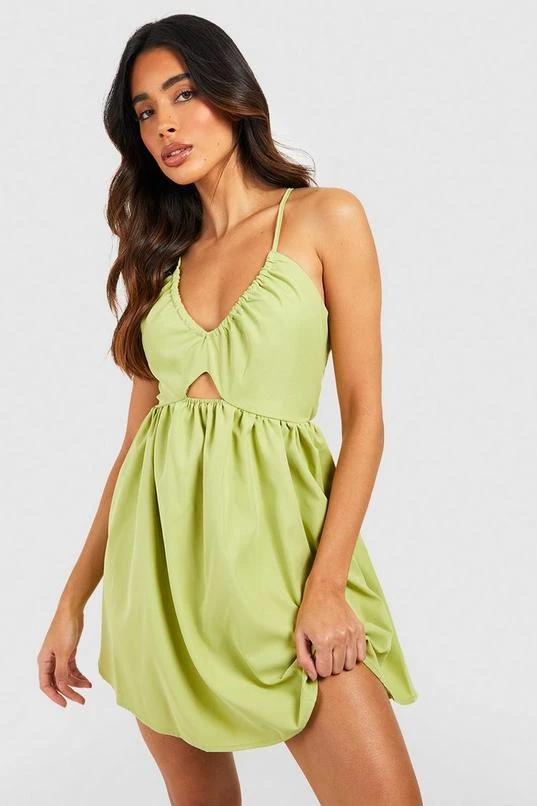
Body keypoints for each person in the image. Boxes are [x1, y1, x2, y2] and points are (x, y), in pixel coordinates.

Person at [37, 13, 423, 806]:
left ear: (232, 93)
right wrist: (72, 599)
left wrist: (327, 588)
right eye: (145, 110)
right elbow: (135, 448)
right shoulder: (159, 265)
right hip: (159, 579)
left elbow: (365, 419)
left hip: (287, 567)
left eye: (183, 95)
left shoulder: (324, 218)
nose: (165, 124)